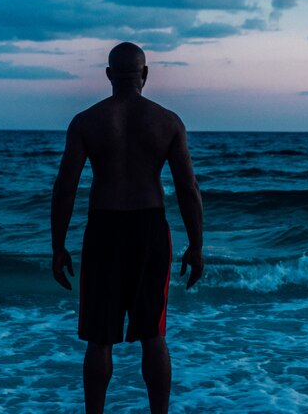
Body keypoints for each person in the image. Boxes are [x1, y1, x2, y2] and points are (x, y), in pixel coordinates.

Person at [51, 42, 204, 414]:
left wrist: (58, 247)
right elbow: (188, 188)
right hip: (150, 228)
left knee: (99, 339)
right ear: (145, 75)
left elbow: (65, 186)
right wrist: (196, 245)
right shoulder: (167, 121)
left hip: (103, 230)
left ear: (108, 75)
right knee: (153, 335)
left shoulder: (87, 121)